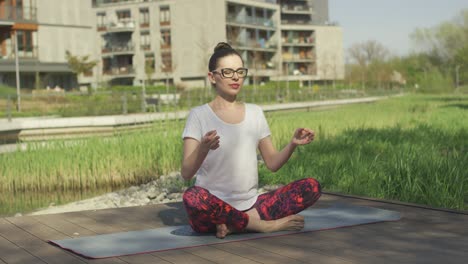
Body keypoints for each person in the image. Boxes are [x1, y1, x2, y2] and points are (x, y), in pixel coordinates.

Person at [181, 42, 321, 239]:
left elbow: (272, 163)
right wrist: (203, 148)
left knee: (311, 187)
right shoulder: (198, 115)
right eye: (228, 72)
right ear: (212, 77)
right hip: (214, 211)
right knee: (192, 197)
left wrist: (292, 144)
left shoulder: (255, 113)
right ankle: (262, 226)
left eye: (240, 71)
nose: (236, 77)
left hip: (252, 206)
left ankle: (238, 224)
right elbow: (186, 172)